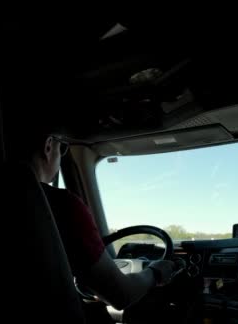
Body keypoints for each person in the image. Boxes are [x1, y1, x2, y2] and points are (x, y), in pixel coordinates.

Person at [20, 129, 177, 310]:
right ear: (48, 146)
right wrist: (156, 272)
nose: (61, 155)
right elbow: (121, 295)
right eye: (62, 148)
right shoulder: (61, 205)